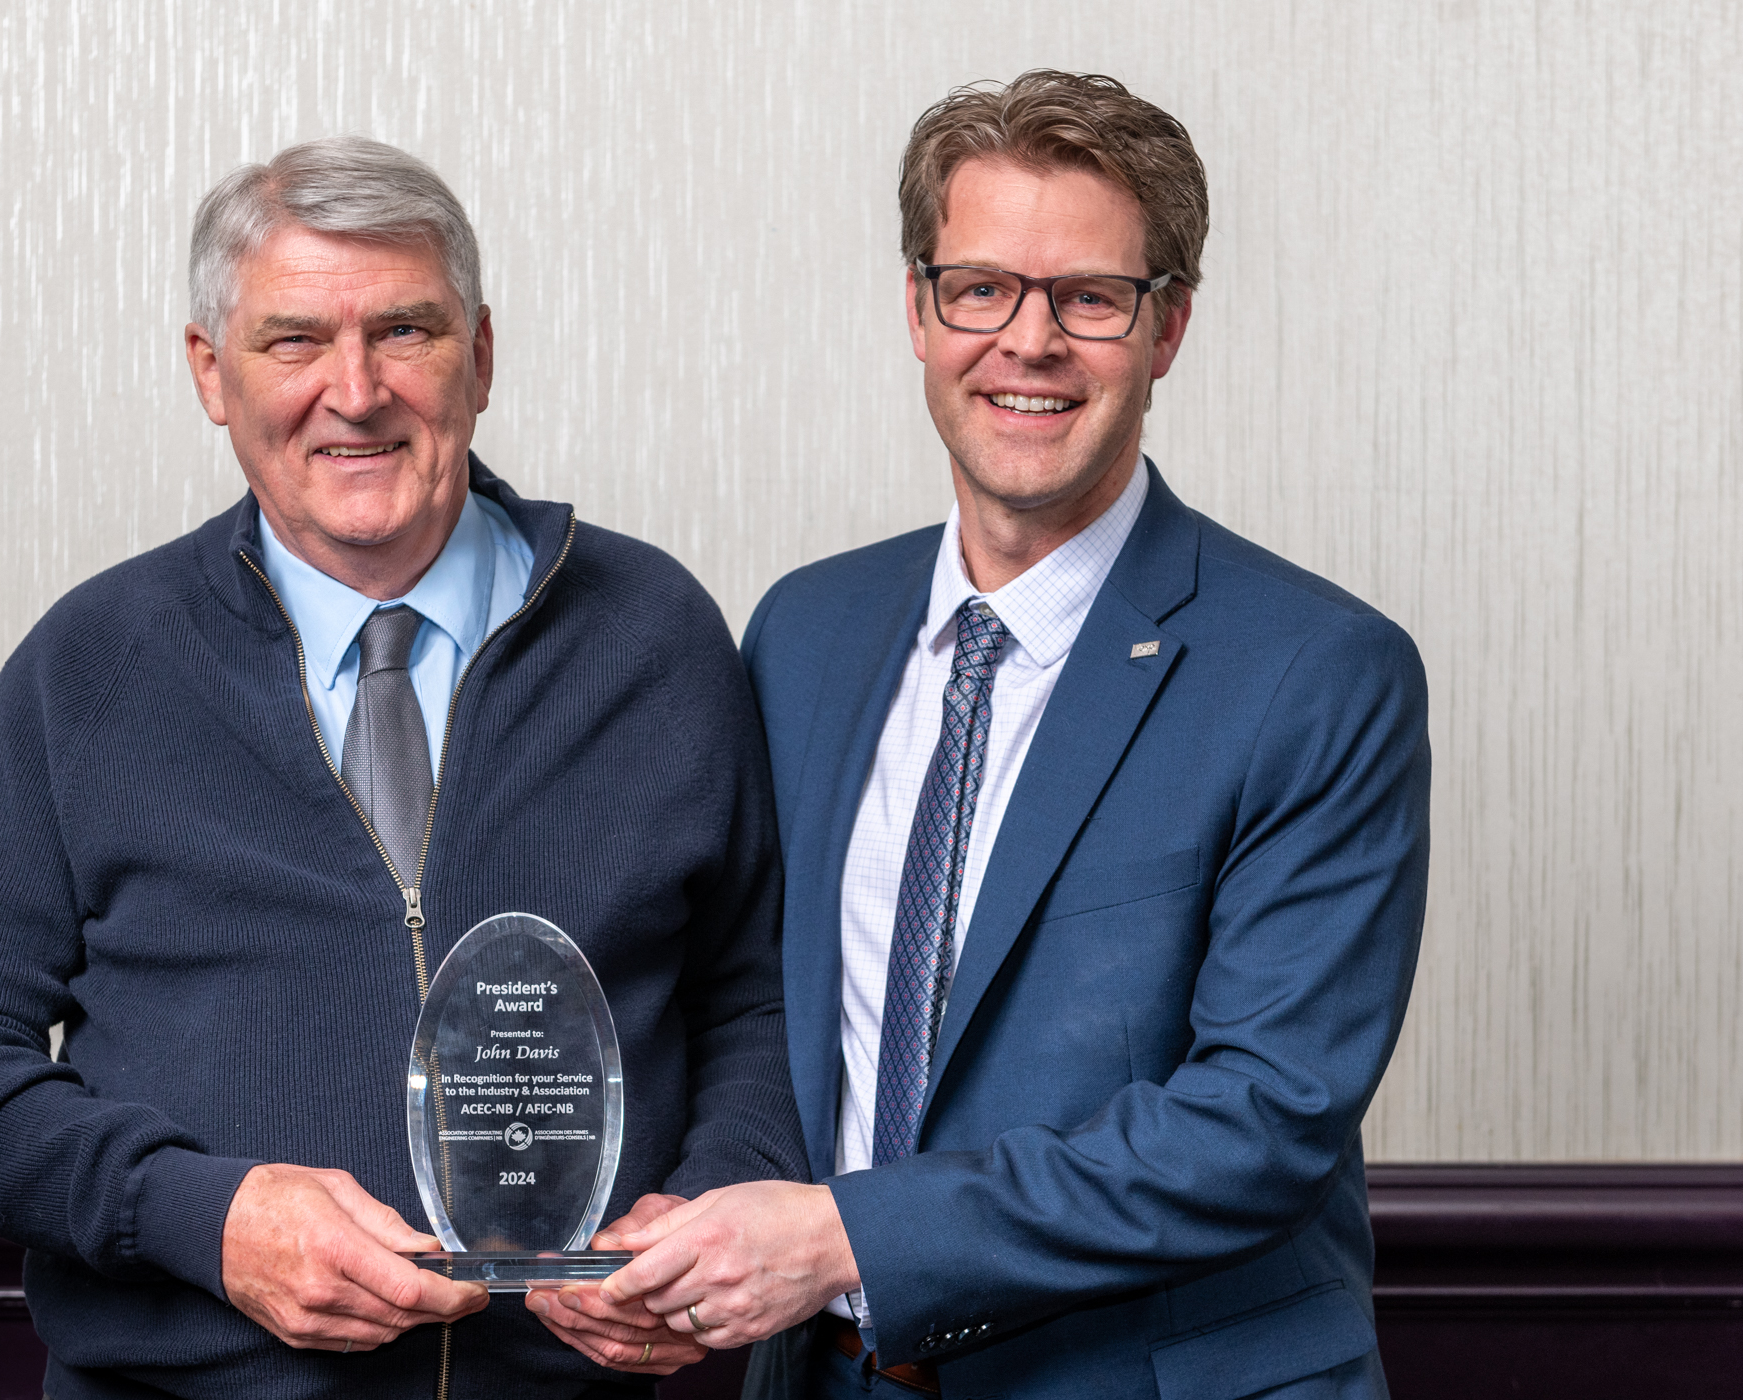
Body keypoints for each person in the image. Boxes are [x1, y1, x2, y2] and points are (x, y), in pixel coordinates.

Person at [0, 135, 804, 1400]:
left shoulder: (655, 634)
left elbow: (757, 1002)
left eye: (405, 331)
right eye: (293, 341)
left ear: (483, 354)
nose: (354, 392)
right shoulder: (96, 664)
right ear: (210, 373)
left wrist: (717, 1203)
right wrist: (203, 1215)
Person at [570, 71, 1431, 1399]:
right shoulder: (803, 635)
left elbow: (1260, 1123)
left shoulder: (1320, 675)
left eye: (1089, 296)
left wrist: (846, 1239)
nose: (1027, 342)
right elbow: (759, 1008)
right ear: (919, 310)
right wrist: (681, 1228)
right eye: (980, 288)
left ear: (1169, 326)